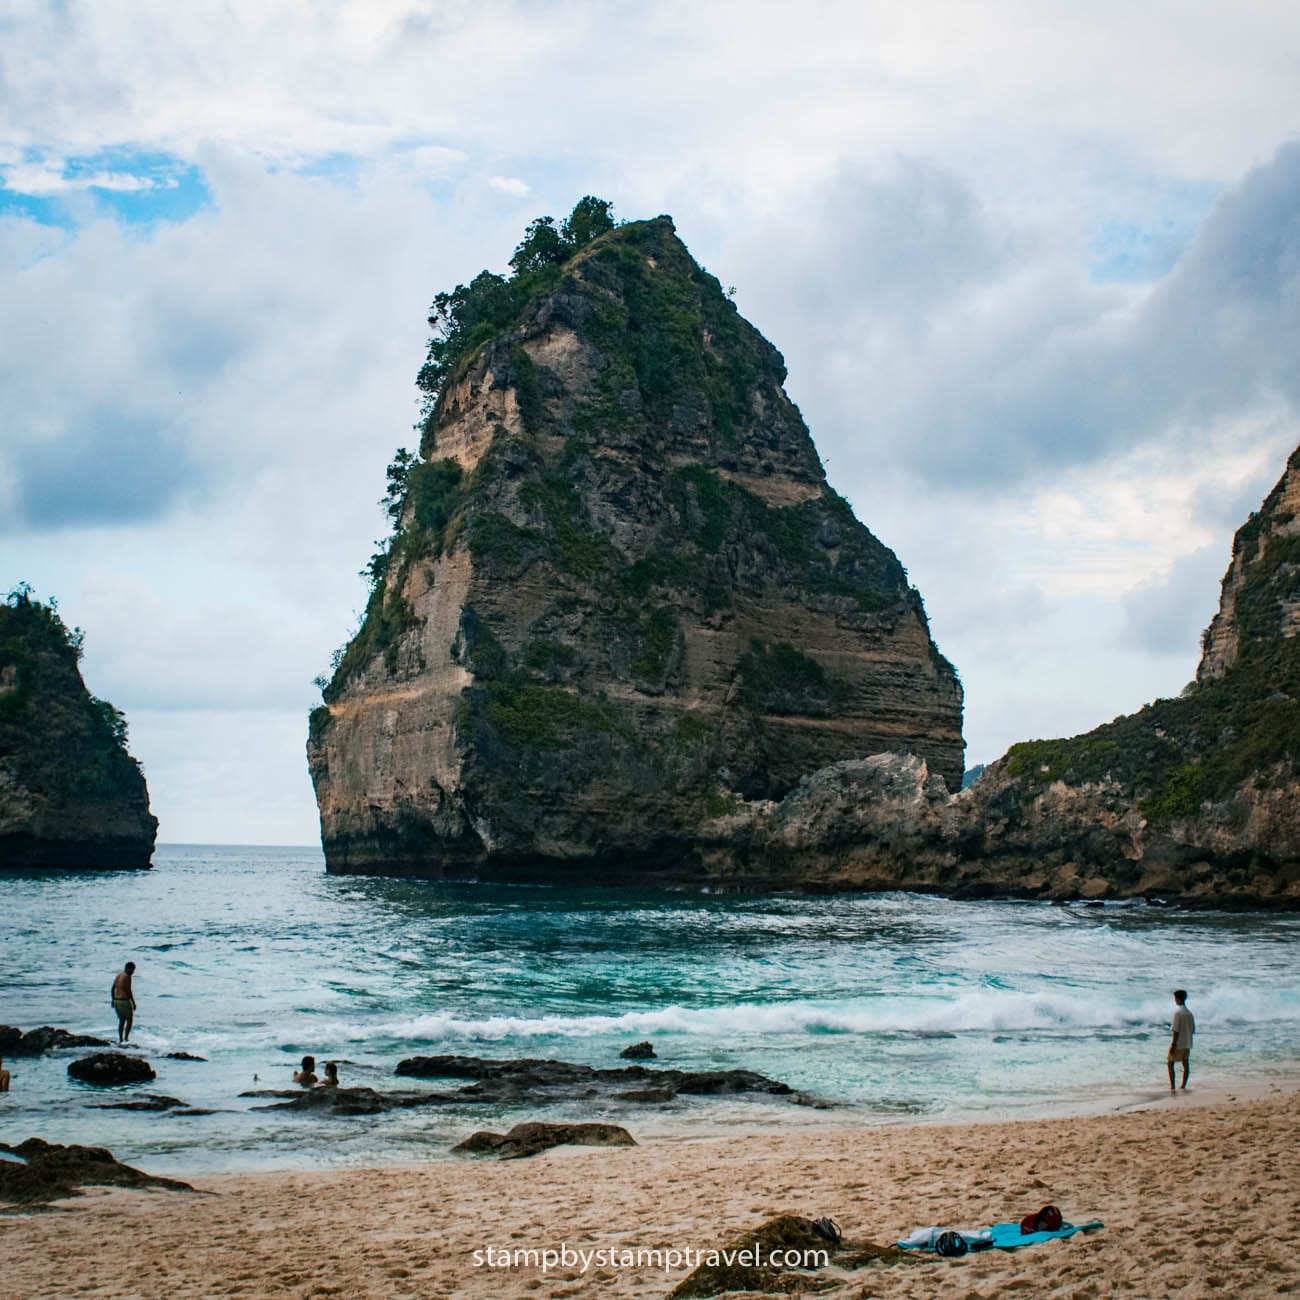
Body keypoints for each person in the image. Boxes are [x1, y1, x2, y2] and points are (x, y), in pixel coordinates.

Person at [1168, 989, 1195, 1091]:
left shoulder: (1178, 1013)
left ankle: (1172, 1086)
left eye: (1175, 998)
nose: (1174, 1000)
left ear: (1178, 999)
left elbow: (1176, 1030)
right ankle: (1183, 1085)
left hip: (1178, 1043)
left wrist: (1173, 1045)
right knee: (1185, 1064)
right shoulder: (1189, 1013)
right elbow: (1192, 1029)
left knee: (1170, 1063)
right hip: (1187, 1043)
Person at [110, 962, 137, 1043]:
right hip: (124, 1001)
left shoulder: (118, 976)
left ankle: (120, 1039)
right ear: (129, 968)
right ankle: (126, 1038)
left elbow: (112, 988)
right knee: (129, 1020)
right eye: (132, 970)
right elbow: (128, 991)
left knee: (122, 1020)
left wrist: (112, 999)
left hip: (116, 1001)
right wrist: (133, 1002)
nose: (133, 972)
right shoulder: (127, 977)